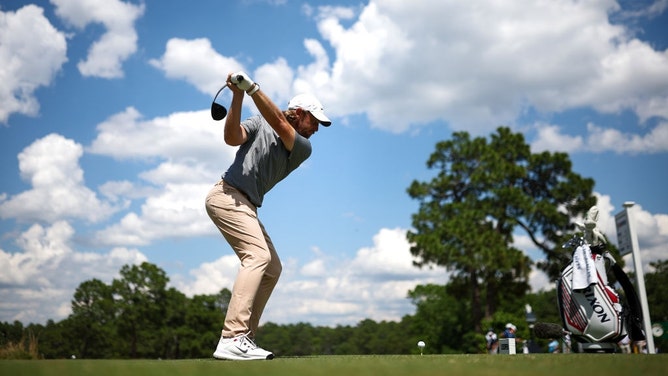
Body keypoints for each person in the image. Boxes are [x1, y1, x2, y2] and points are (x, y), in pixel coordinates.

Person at [205, 71, 332, 360]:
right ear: (299, 114)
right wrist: (238, 96)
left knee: (272, 268)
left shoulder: (302, 146)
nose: (316, 129)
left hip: (245, 204)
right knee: (258, 256)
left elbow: (278, 122)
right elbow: (232, 137)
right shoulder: (259, 122)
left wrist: (249, 88)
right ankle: (233, 336)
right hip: (227, 195)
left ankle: (244, 338)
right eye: (314, 121)